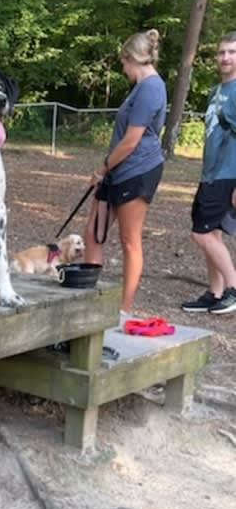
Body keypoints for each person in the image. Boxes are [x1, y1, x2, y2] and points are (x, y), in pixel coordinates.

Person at [84, 28, 167, 318]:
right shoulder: (140, 88)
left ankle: (124, 308)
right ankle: (90, 300)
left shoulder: (152, 88)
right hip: (117, 170)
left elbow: (132, 140)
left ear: (132, 58)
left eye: (123, 63)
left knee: (129, 240)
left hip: (138, 169)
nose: (122, 68)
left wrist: (102, 168)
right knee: (93, 233)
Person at [180, 32, 236, 315]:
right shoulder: (216, 91)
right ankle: (214, 292)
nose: (225, 57)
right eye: (222, 52)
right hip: (210, 173)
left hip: (229, 173)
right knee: (211, 233)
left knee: (200, 234)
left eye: (232, 52)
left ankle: (233, 288)